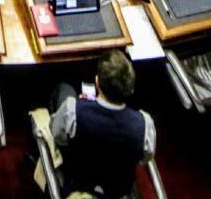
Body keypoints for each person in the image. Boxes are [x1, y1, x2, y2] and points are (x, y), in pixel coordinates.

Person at [46, 51, 157, 199]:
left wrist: (82, 109)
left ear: (97, 83)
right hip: (118, 191)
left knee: (64, 89)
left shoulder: (73, 109)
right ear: (130, 88)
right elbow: (145, 158)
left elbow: (57, 136)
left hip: (78, 186)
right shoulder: (144, 124)